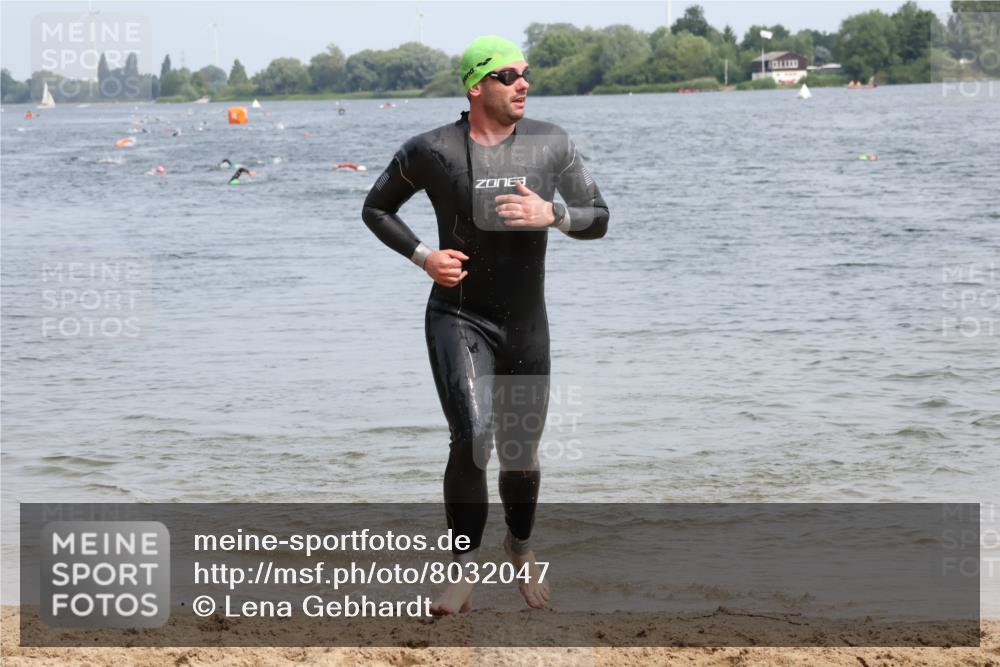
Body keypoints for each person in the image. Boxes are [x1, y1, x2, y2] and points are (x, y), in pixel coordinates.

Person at [362, 35, 609, 615]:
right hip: (459, 315)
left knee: (520, 456)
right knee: (472, 438)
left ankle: (518, 547)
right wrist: (425, 257)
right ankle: (463, 567)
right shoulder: (432, 149)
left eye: (526, 74)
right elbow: (376, 207)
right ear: (476, 86)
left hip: (526, 325)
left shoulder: (551, 143)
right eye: (508, 75)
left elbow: (599, 217)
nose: (524, 84)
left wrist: (554, 214)